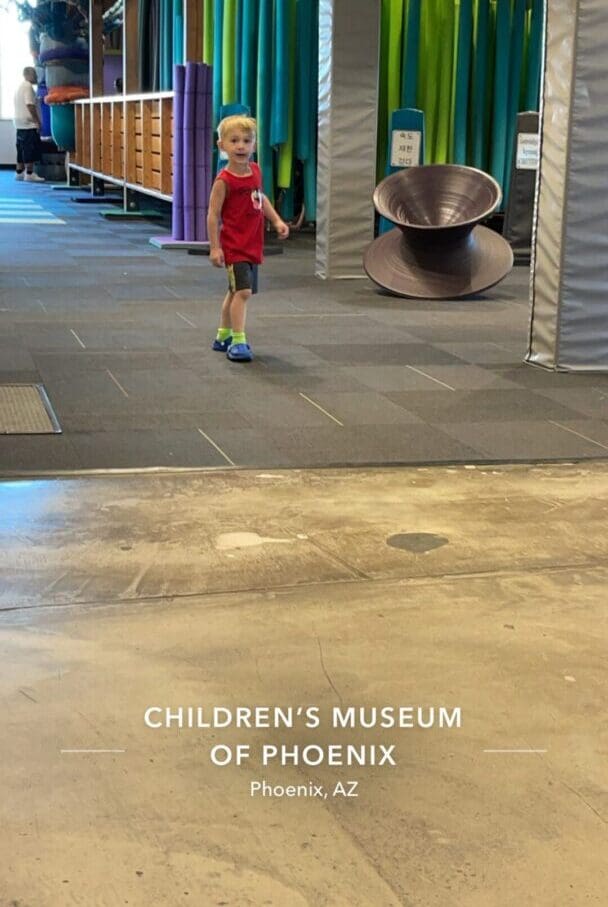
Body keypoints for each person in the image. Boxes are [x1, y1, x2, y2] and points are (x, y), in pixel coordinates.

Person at [207, 115, 289, 362]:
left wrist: (276, 220)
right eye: (234, 141)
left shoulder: (255, 171)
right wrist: (214, 248)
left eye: (246, 140)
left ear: (254, 144)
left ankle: (223, 335)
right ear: (222, 145)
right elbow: (212, 215)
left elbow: (260, 199)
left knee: (234, 291)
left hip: (253, 243)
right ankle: (238, 340)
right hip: (235, 245)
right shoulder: (224, 181)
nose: (241, 146)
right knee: (243, 292)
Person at [14, 66, 44, 183]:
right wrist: (37, 121)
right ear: (29, 75)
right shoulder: (28, 87)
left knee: (21, 148)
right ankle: (29, 173)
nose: (37, 77)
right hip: (28, 123)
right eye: (35, 75)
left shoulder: (20, 87)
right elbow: (30, 105)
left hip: (19, 123)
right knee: (29, 148)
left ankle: (19, 172)